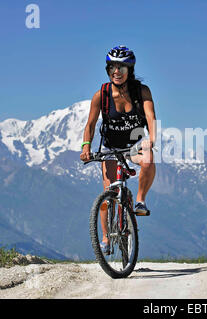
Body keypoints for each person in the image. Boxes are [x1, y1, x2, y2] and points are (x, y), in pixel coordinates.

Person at [80, 45, 156, 252]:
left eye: (121, 67)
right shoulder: (101, 95)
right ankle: (105, 237)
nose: (117, 71)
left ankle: (140, 200)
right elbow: (90, 124)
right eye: (112, 67)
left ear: (129, 70)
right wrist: (86, 146)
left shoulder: (141, 91)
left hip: (135, 144)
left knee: (148, 160)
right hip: (110, 147)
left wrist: (152, 139)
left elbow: (150, 117)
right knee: (108, 192)